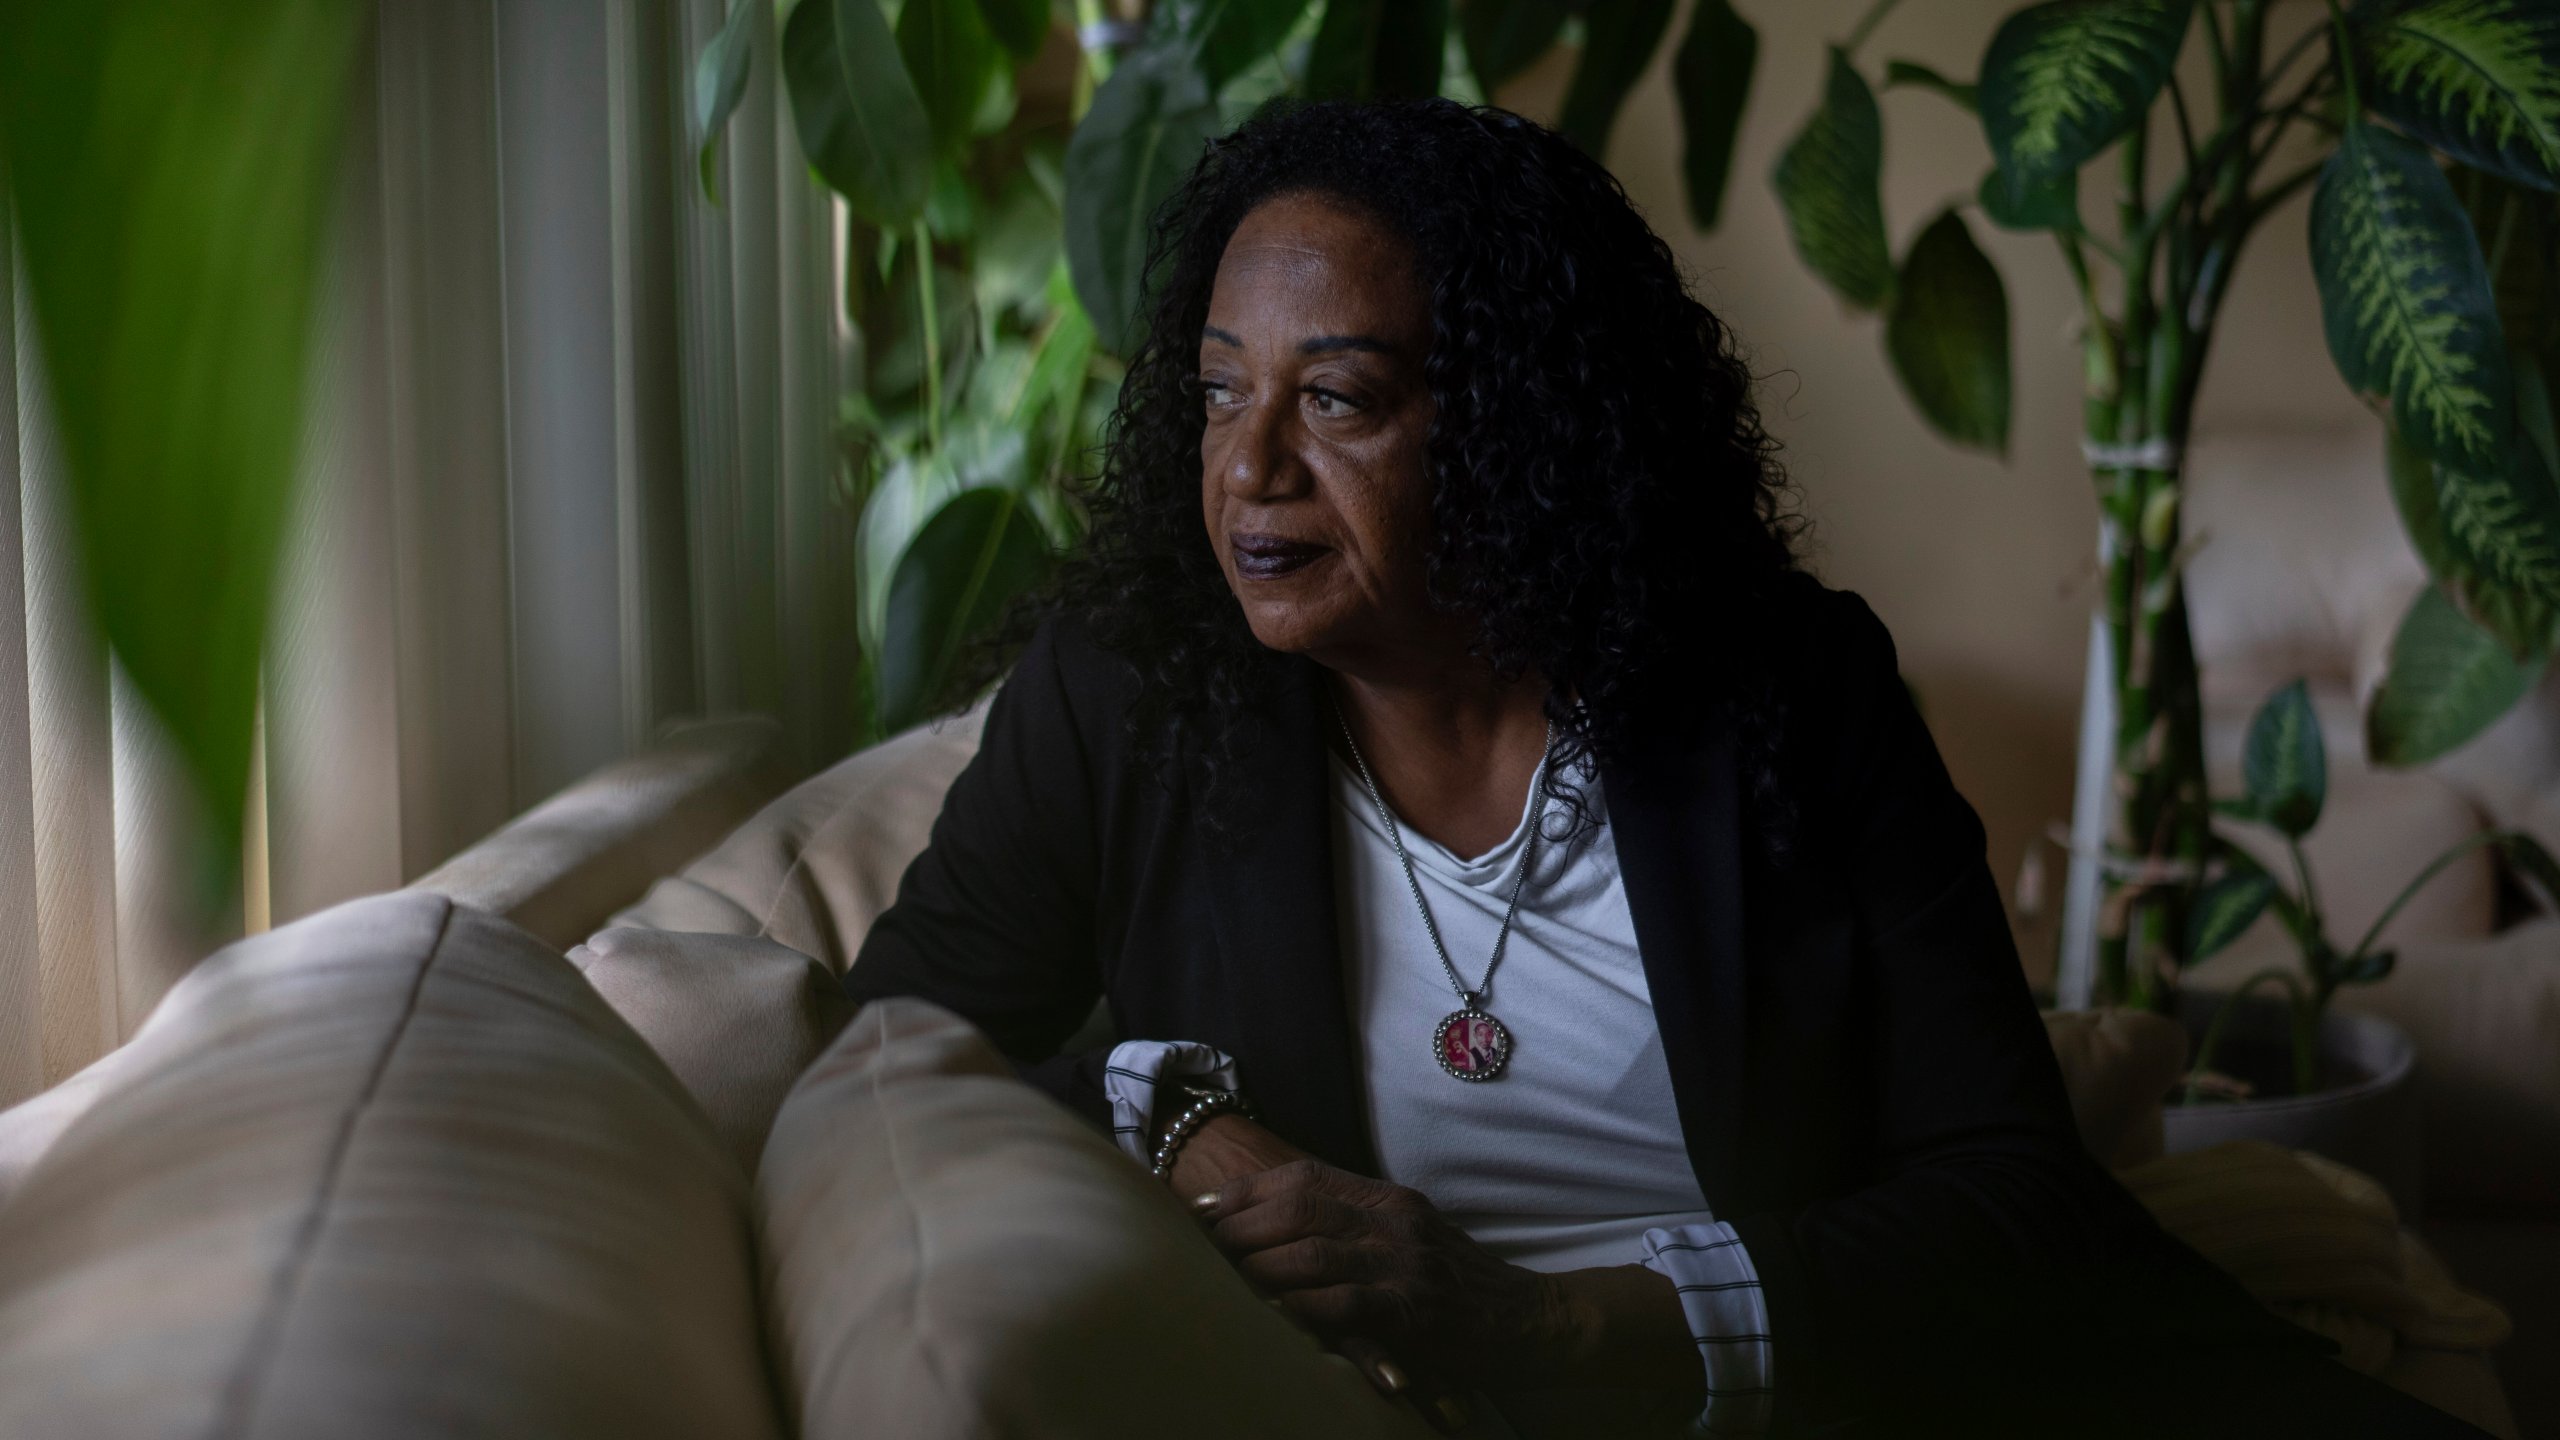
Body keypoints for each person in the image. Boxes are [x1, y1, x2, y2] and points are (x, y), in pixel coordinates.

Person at [845, 99, 2489, 1439]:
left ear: (1516, 424)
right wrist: (1179, 1112)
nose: (1248, 463)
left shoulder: (1786, 693)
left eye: (1335, 395)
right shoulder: (1129, 701)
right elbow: (886, 1053)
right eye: (1217, 391)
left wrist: (1551, 1326)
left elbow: (2006, 1192)